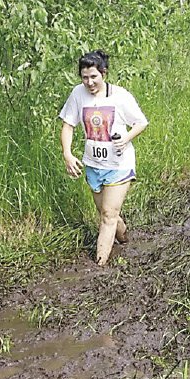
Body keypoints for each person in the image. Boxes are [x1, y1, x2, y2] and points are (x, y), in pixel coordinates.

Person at [58, 50, 148, 266]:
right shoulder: (77, 94)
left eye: (93, 77)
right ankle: (124, 238)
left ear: (103, 73)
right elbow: (68, 125)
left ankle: (99, 265)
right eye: (84, 77)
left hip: (119, 164)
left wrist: (126, 137)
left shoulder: (120, 95)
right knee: (107, 213)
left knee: (108, 214)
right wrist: (67, 154)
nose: (89, 82)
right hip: (93, 165)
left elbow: (141, 122)